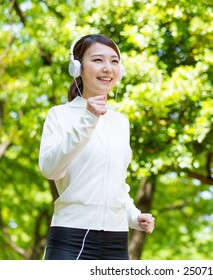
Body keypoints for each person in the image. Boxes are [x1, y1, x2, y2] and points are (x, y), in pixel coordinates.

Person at [38, 34, 155, 260]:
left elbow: (116, 184)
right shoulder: (60, 115)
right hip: (70, 238)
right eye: (98, 60)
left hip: (116, 241)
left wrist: (133, 216)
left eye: (114, 61)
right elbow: (50, 169)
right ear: (77, 68)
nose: (107, 68)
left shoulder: (121, 122)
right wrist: (88, 119)